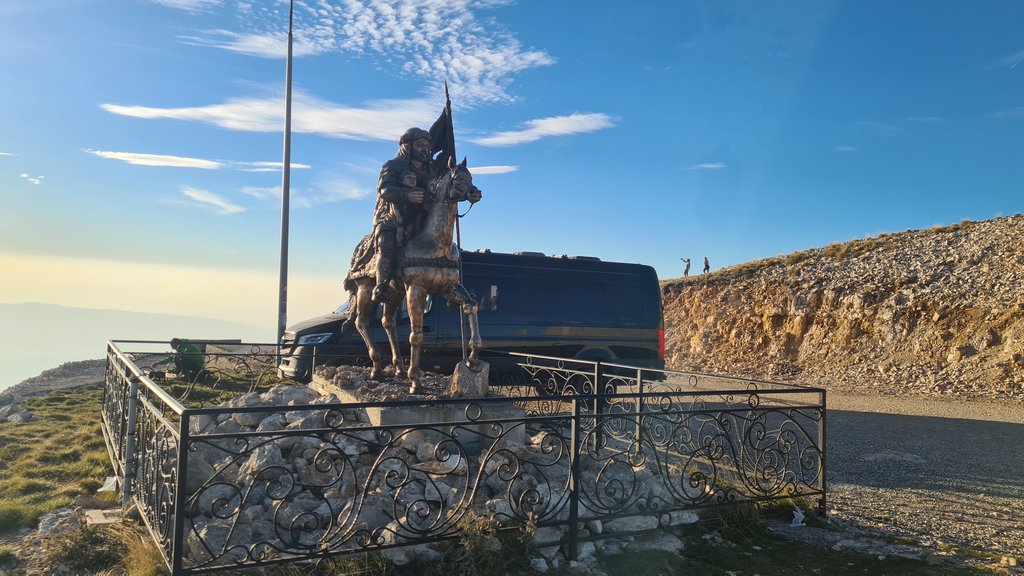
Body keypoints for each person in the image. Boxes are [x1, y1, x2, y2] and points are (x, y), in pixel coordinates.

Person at [371, 127, 434, 302]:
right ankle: (381, 285)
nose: (425, 149)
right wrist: (406, 195)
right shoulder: (392, 165)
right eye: (420, 145)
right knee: (387, 244)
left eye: (427, 146)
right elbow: (384, 189)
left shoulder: (429, 170)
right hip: (394, 217)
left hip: (422, 218)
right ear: (407, 146)